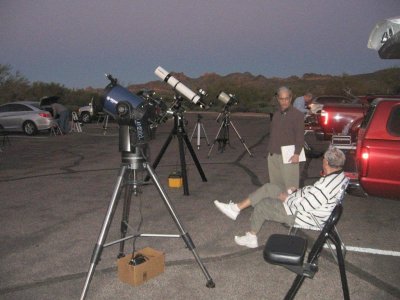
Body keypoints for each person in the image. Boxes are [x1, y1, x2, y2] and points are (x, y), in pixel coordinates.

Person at [214, 146, 347, 248]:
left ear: (326, 163)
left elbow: (304, 205)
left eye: (323, 159)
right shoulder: (339, 177)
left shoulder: (325, 187)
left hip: (301, 215)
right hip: (304, 205)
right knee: (269, 188)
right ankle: (236, 208)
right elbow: (313, 195)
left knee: (263, 205)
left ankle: (251, 236)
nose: (322, 161)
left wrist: (287, 198)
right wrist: (298, 191)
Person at [266, 86, 304, 192]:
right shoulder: (276, 114)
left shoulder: (298, 115)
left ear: (291, 98)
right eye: (282, 99)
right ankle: (278, 207)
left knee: (291, 188)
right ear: (278, 99)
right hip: (273, 155)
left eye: (287, 98)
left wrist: (297, 154)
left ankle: (291, 207)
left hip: (289, 156)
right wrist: (270, 153)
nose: (284, 101)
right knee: (276, 188)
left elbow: (300, 136)